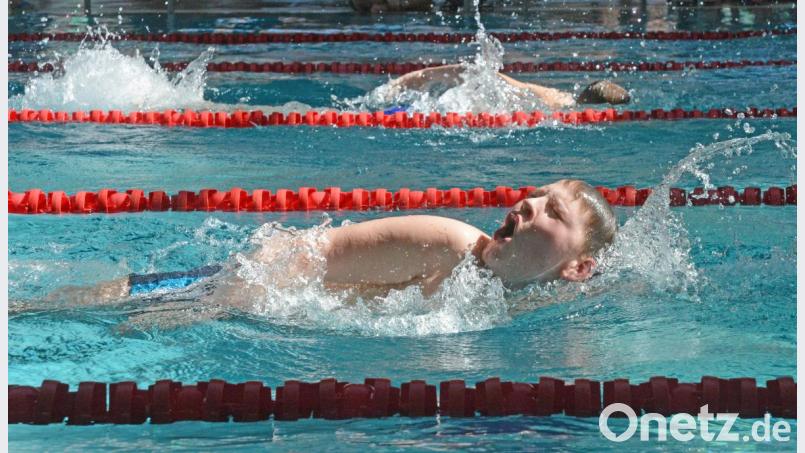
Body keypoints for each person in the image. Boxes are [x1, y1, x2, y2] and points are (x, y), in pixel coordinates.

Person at [40, 179, 617, 307]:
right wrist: (203, 308)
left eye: (551, 210)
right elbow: (301, 256)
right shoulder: (446, 242)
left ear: (576, 268)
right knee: (67, 308)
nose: (526, 203)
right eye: (536, 195)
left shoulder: (534, 296)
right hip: (220, 289)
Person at [385, 63, 630, 110]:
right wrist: (409, 80)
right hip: (469, 106)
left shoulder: (563, 101)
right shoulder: (552, 100)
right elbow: (480, 72)